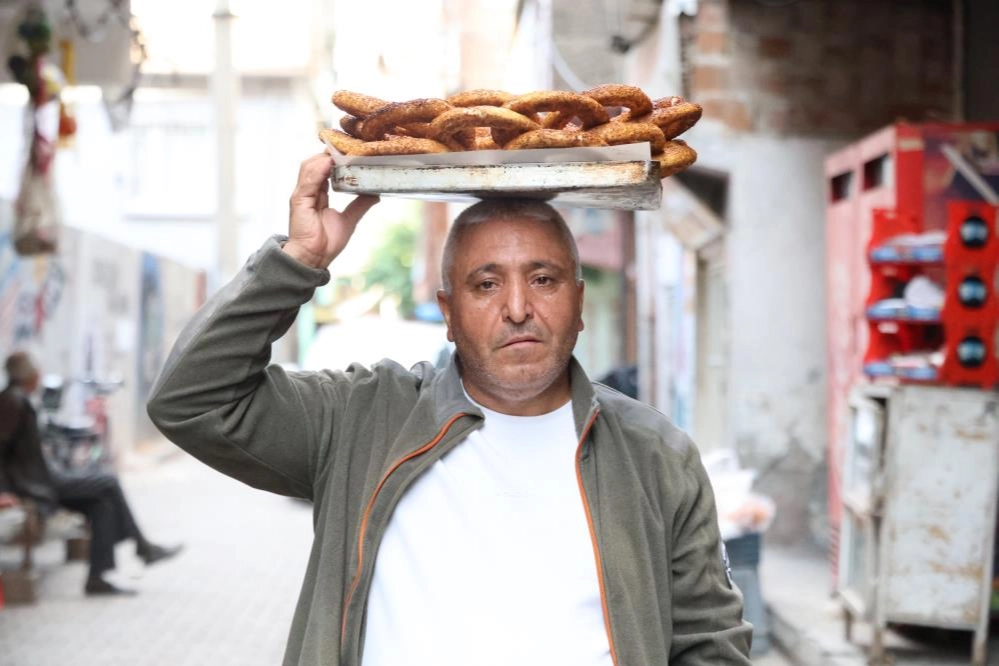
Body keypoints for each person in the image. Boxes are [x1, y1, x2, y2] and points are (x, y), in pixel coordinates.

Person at [147, 153, 752, 665]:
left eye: (542, 279)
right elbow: (192, 399)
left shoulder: (655, 455)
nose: (518, 308)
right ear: (448, 311)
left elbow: (709, 643)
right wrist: (297, 263)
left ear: (578, 301)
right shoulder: (362, 419)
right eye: (486, 284)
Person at [0, 352, 182, 596]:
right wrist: (3, 492)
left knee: (102, 504)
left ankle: (99, 577)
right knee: (108, 481)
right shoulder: (12, 402)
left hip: (41, 479)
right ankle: (142, 547)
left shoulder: (16, 399)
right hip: (37, 484)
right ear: (30, 376)